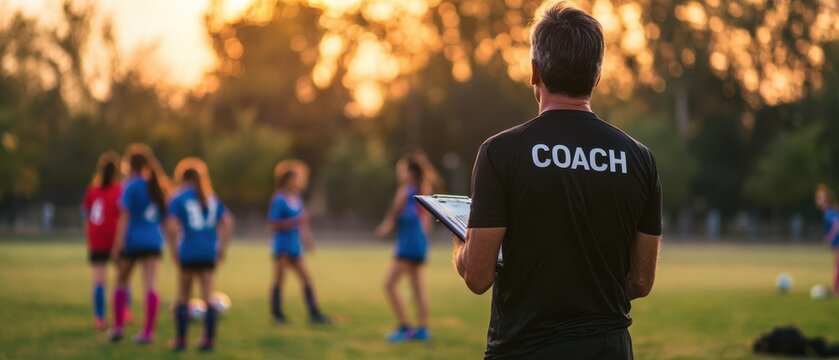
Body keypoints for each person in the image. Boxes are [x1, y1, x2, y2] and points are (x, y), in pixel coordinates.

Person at [453, 3, 662, 359]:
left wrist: (461, 246)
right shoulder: (639, 158)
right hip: (608, 348)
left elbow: (478, 276)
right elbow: (641, 281)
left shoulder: (501, 152)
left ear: (534, 71)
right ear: (597, 76)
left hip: (524, 347)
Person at [165, 157, 234, 351]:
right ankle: (208, 340)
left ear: (181, 177)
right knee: (208, 296)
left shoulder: (178, 197)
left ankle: (181, 340)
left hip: (188, 250)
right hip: (208, 251)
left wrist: (173, 249)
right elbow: (228, 222)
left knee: (183, 296)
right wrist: (221, 248)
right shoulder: (211, 197)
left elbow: (170, 226)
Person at [109, 143, 170, 343]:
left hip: (133, 241)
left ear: (128, 164)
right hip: (154, 241)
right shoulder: (157, 184)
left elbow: (124, 217)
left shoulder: (130, 185)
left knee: (120, 282)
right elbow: (164, 217)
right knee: (151, 286)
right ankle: (148, 332)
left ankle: (118, 328)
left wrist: (117, 245)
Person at [375, 155, 433, 342]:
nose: (399, 173)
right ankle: (423, 330)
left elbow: (393, 216)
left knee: (389, 284)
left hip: (408, 244)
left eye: (401, 169)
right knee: (417, 287)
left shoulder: (406, 191)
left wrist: (384, 228)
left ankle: (405, 327)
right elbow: (426, 221)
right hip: (419, 242)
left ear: (409, 171)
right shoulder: (424, 189)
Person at [268, 160, 331, 325]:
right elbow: (274, 225)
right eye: (298, 178)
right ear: (288, 180)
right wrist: (294, 221)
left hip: (295, 246)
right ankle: (277, 314)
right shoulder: (279, 199)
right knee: (279, 279)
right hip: (282, 245)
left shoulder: (297, 198)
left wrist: (308, 241)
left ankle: (314, 314)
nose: (301, 181)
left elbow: (303, 223)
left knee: (307, 278)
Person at [81, 151, 123, 330]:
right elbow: (122, 216)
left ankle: (100, 317)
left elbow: (86, 216)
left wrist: (88, 239)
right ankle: (123, 312)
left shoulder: (92, 190)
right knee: (122, 277)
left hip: (96, 238)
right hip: (114, 239)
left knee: (99, 279)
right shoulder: (118, 190)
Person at [815, 184, 839, 295]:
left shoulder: (829, 212)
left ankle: (836, 289)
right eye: (817, 197)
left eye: (821, 197)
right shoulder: (829, 211)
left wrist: (828, 238)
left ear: (827, 198)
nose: (818, 199)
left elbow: (836, 224)